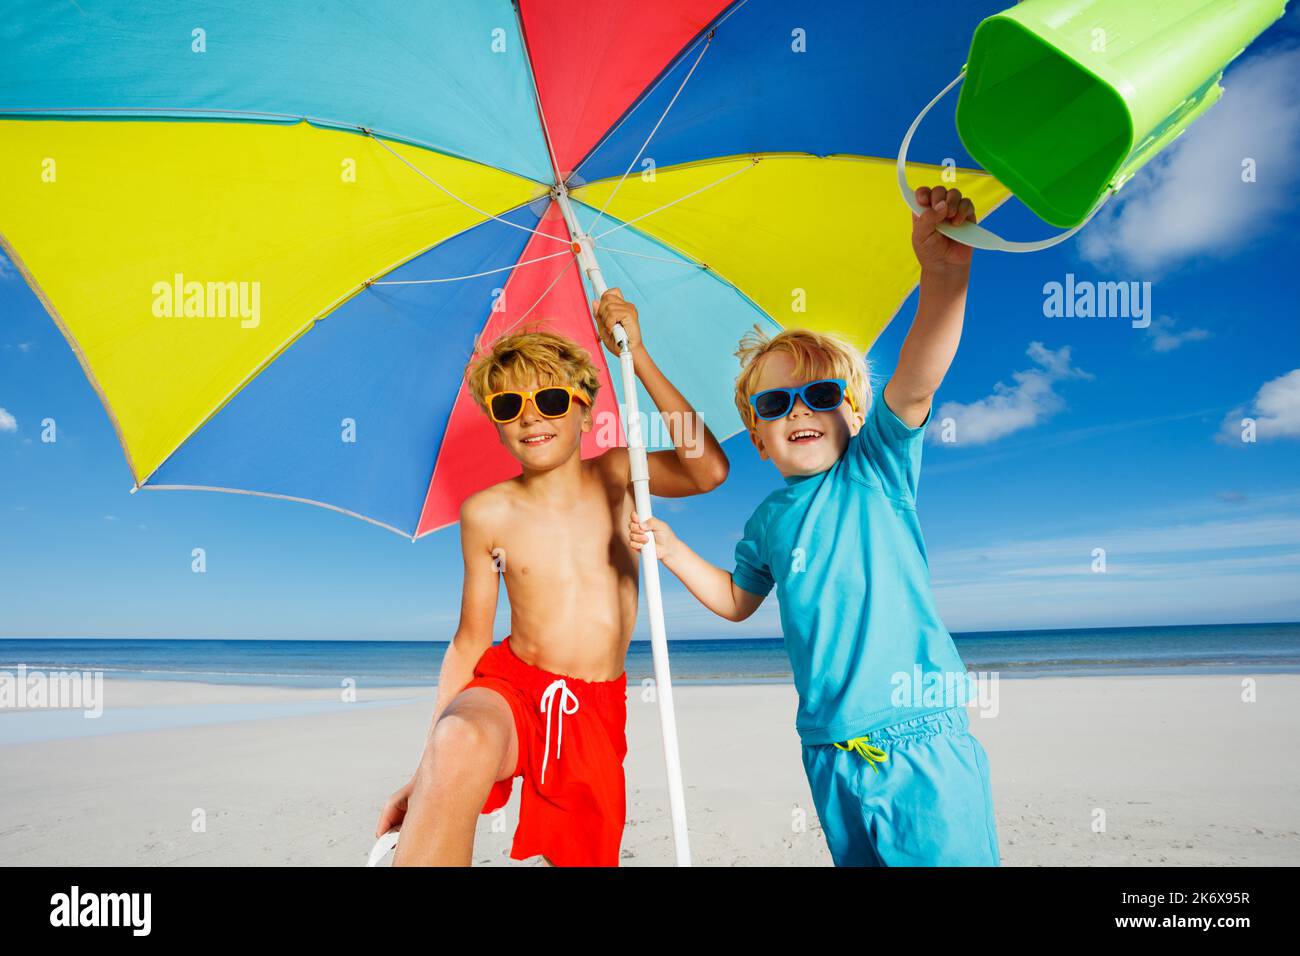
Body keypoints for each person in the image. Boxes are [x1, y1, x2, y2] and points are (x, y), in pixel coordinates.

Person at [628, 185, 1000, 866]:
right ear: (758, 436)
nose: (801, 409)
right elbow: (738, 602)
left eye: (822, 394)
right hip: (828, 748)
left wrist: (944, 276)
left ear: (854, 415)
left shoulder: (875, 470)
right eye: (777, 402)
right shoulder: (768, 520)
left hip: (918, 736)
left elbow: (916, 381)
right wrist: (673, 549)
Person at [376, 288, 728, 866]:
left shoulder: (620, 472)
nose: (531, 416)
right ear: (495, 424)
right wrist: (427, 771)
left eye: (551, 399)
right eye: (508, 407)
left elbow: (707, 468)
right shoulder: (486, 512)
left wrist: (636, 355)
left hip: (594, 708)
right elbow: (470, 639)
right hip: (512, 687)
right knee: (458, 741)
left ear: (587, 410)